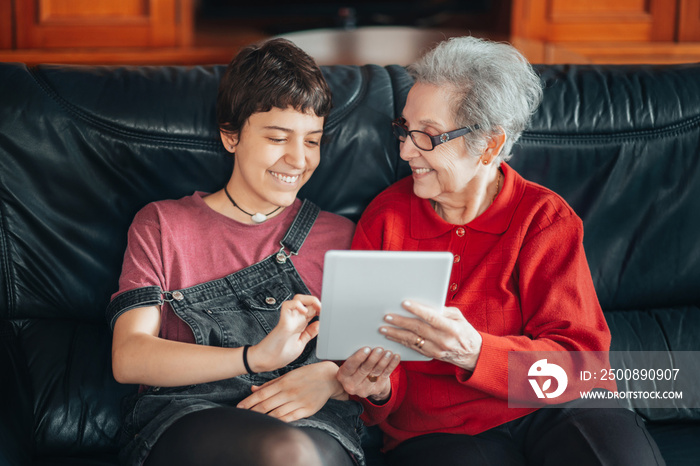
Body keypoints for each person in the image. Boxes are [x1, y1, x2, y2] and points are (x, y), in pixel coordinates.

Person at [336, 37, 666, 466]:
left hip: (554, 407)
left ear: (490, 145)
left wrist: (476, 353)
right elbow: (375, 368)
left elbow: (580, 362)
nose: (404, 151)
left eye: (428, 137)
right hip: (440, 430)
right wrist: (377, 388)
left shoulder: (543, 219)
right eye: (404, 129)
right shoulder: (387, 219)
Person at [106, 38, 365, 466]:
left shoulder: (344, 235)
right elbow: (129, 357)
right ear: (231, 136)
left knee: (294, 453)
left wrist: (335, 379)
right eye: (278, 137)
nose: (298, 159)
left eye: (313, 141)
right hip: (188, 413)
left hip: (313, 421)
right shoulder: (162, 224)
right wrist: (253, 356)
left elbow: (373, 363)